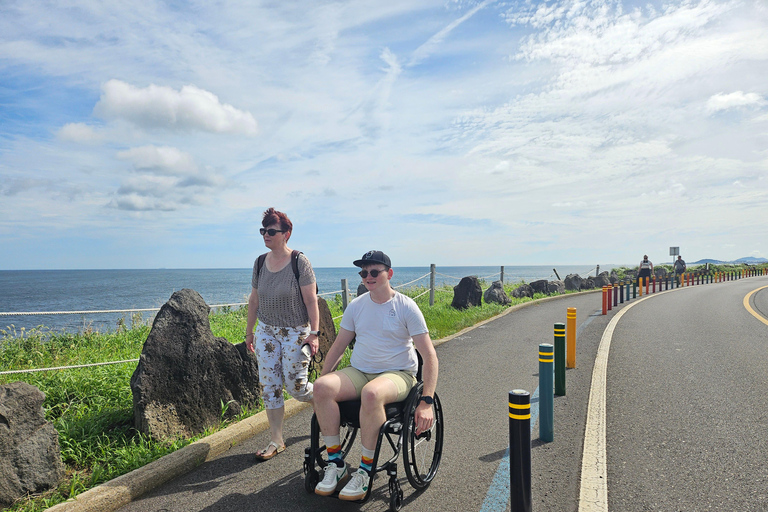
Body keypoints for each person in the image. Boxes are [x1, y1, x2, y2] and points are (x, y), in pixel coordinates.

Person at [311, 250, 439, 501]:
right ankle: (336, 465)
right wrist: (321, 387)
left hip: (399, 374)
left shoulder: (406, 306)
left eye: (373, 272)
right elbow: (338, 347)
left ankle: (365, 471)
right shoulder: (356, 306)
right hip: (360, 371)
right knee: (322, 387)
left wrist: (427, 401)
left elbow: (430, 356)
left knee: (372, 393)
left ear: (389, 274)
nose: (367, 277)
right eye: (363, 273)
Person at [245, 207, 320, 461]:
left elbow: (312, 302)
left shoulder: (299, 262)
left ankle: (323, 399)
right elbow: (254, 300)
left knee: (296, 386)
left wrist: (315, 333)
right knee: (270, 387)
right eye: (263, 230)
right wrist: (249, 332)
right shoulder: (259, 262)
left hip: (296, 331)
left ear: (286, 234)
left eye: (271, 231)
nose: (266, 235)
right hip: (266, 331)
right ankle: (276, 440)